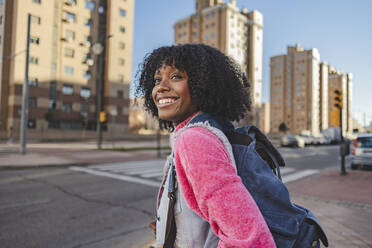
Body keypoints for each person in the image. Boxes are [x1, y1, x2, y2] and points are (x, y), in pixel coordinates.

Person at [137, 44, 275, 247]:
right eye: (157, 80)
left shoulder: (194, 140)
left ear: (203, 85)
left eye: (176, 77)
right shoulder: (207, 131)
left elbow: (250, 240)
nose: (161, 87)